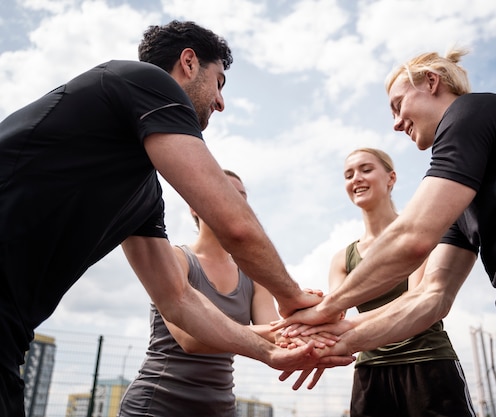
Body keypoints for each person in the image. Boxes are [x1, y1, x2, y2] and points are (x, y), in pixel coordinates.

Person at [0, 20, 352, 417]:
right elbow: (235, 226)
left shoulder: (145, 196)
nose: (220, 101)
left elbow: (180, 302)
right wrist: (293, 296)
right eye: (219, 82)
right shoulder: (140, 80)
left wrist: (268, 349)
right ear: (188, 62)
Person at [277, 49, 496, 416]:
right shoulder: (462, 199)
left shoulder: (473, 112)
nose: (396, 123)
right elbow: (430, 297)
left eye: (398, 105)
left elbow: (413, 237)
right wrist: (338, 340)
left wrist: (328, 309)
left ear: (431, 82)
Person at [120, 170, 290, 417]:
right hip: (157, 406)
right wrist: (285, 330)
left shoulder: (253, 274)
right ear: (194, 207)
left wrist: (310, 318)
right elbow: (191, 338)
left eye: (242, 196)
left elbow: (274, 333)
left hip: (219, 408)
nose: (236, 201)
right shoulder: (177, 259)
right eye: (225, 192)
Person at [329, 148, 475, 416]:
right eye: (349, 174)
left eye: (366, 169)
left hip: (427, 363)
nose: (356, 178)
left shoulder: (419, 234)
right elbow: (332, 318)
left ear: (391, 178)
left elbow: (417, 299)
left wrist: (340, 324)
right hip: (370, 373)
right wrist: (304, 312)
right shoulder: (343, 259)